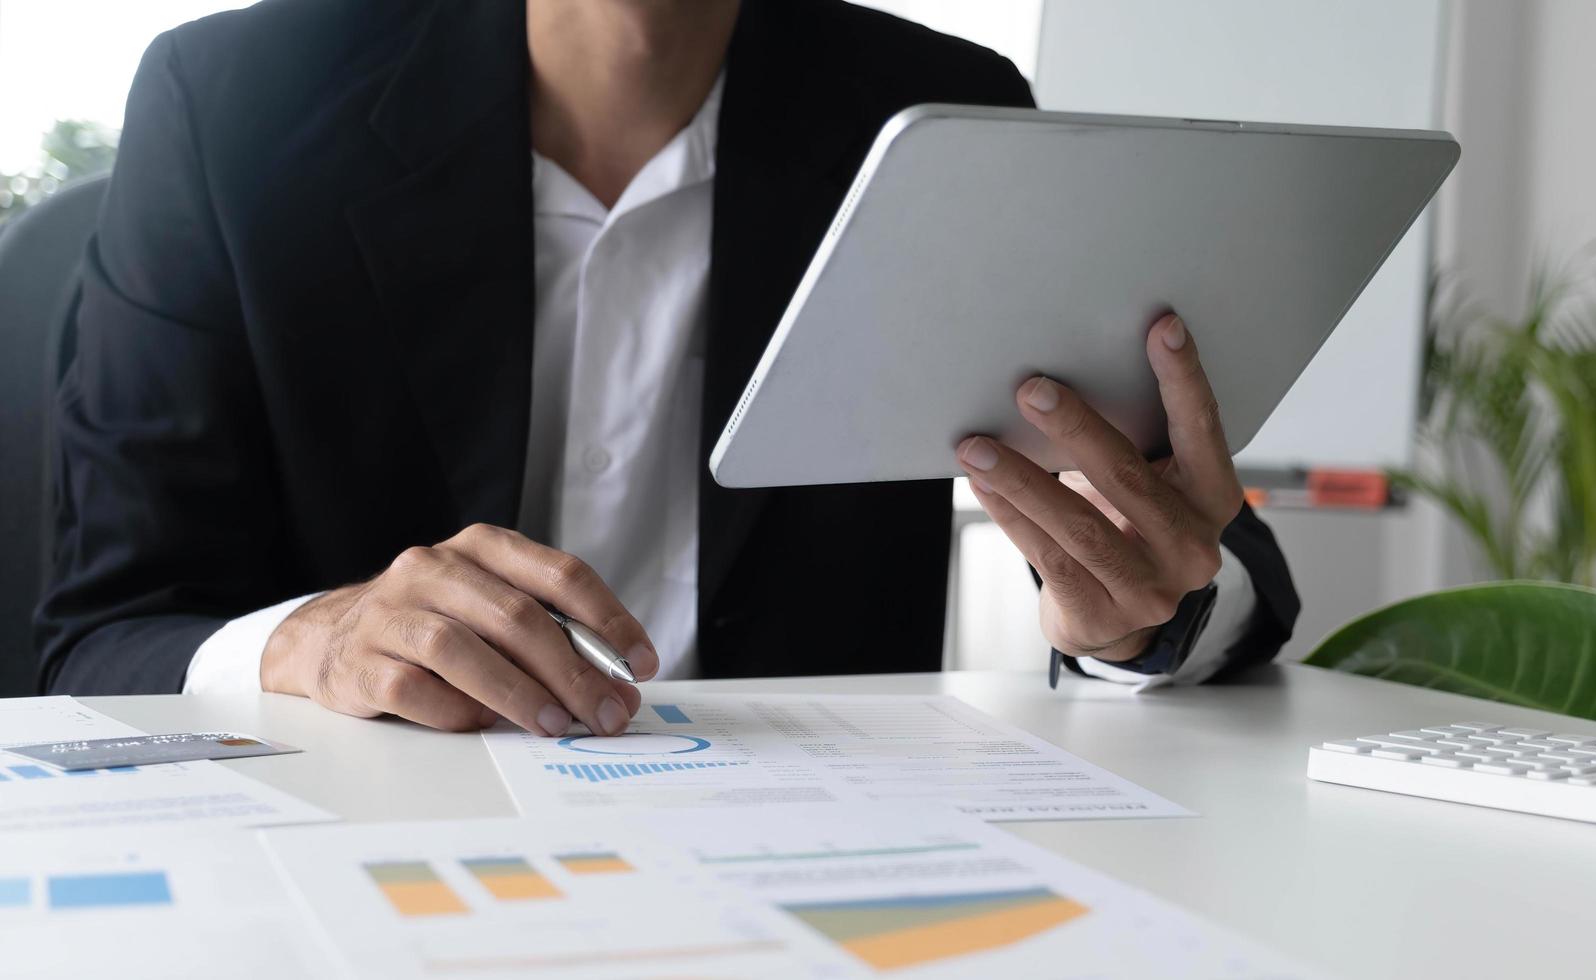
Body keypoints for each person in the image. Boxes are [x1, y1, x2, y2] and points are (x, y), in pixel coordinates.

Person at [35, 0, 1299, 738]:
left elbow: (1216, 574)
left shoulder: (937, 112)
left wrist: (1140, 616)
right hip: (370, 846)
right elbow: (100, 639)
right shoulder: (236, 102)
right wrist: (314, 642)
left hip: (796, 859)